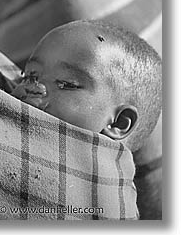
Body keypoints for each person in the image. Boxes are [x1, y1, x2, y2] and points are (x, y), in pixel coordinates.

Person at [11, 20, 162, 153]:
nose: (35, 88)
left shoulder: (97, 184)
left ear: (118, 122)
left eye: (67, 84)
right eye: (30, 76)